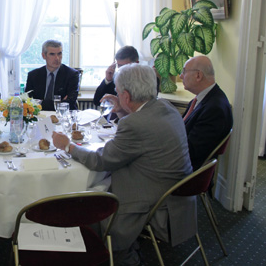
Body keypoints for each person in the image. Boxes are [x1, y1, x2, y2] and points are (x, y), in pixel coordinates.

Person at [53, 64, 195, 265]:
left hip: (152, 201)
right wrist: (122, 111)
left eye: (118, 93)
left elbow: (100, 161)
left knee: (83, 203)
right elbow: (138, 141)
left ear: (127, 96)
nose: (117, 96)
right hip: (175, 192)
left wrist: (68, 146)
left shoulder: (135, 125)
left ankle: (122, 255)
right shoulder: (166, 108)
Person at [180, 56, 233, 170]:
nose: (180, 76)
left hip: (184, 171)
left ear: (198, 75)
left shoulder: (215, 109)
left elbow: (192, 152)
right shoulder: (203, 99)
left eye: (184, 71)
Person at [25, 39, 80, 111]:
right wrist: (58, 103)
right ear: (44, 56)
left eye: (59, 54)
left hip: (63, 116)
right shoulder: (33, 75)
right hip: (39, 115)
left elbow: (70, 102)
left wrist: (40, 102)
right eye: (52, 54)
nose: (57, 58)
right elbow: (28, 102)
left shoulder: (72, 75)